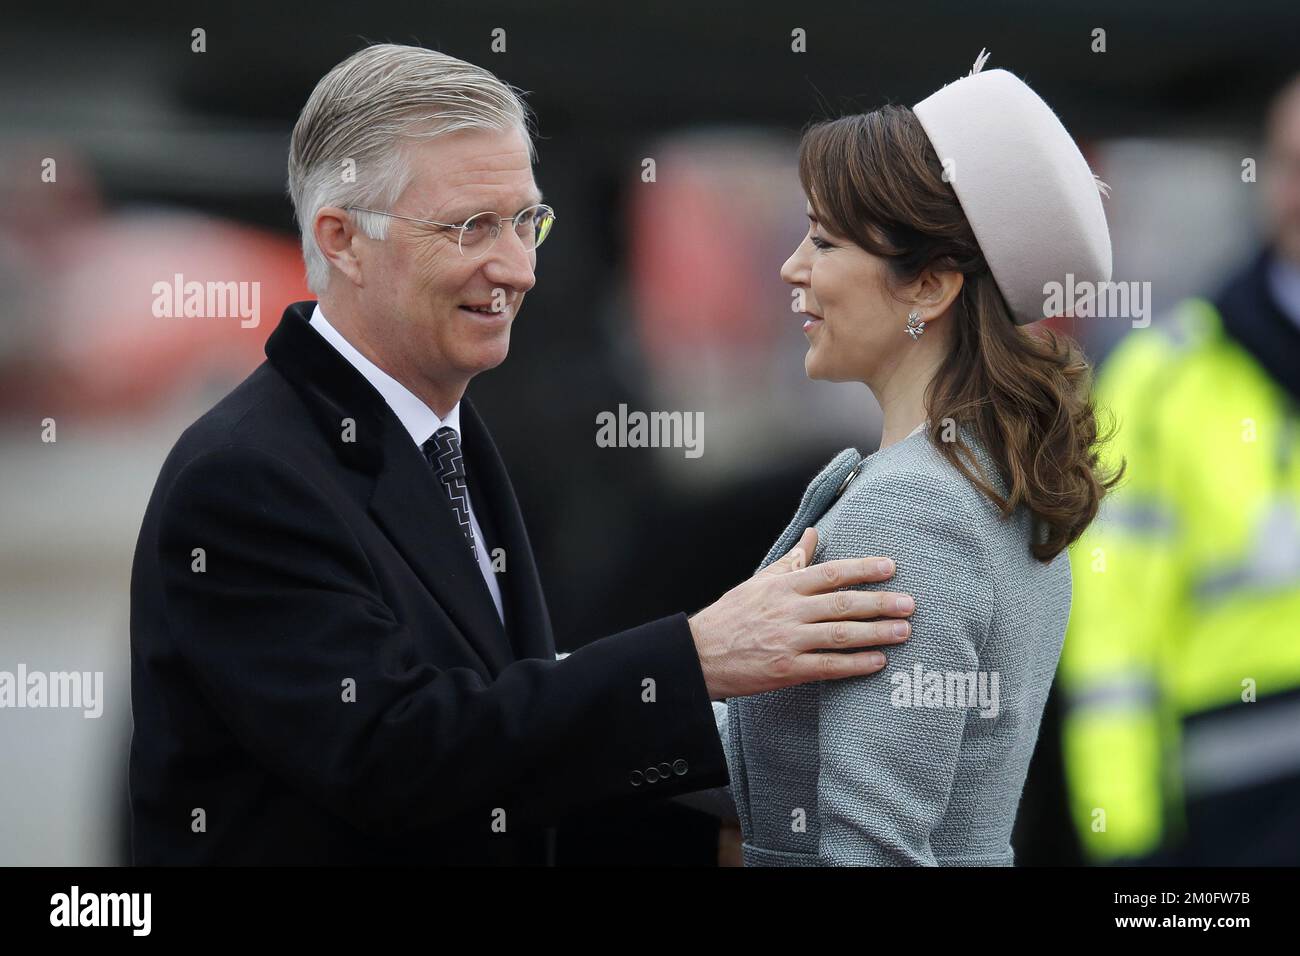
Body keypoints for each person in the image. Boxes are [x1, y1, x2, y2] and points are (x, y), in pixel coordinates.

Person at [127, 43, 917, 866]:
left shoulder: (447, 438)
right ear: (343, 241)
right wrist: (694, 659)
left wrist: (725, 840)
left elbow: (508, 764)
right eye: (470, 226)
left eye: (524, 221)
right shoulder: (246, 479)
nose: (515, 268)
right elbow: (392, 760)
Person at [715, 53, 1121, 865]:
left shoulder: (915, 507)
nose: (793, 267)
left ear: (930, 287)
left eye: (825, 241)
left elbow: (872, 848)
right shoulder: (988, 481)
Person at [1059, 73, 1300, 865]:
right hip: (1232, 818)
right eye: (1294, 164)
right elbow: (1110, 644)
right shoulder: (1163, 381)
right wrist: (1129, 847)